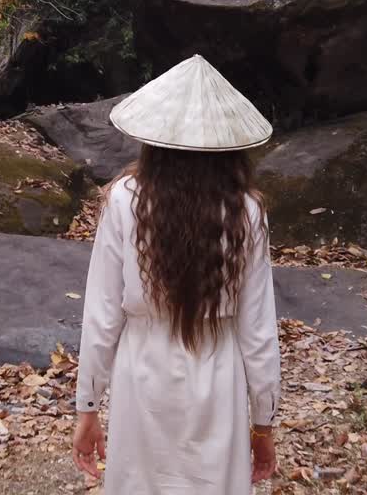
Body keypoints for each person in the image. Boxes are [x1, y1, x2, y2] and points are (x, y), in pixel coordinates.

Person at [72, 54, 282, 494]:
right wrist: (264, 423)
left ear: (155, 136)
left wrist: (87, 406)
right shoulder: (246, 211)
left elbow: (102, 315)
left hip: (142, 371)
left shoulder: (125, 200)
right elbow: (257, 328)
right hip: (218, 374)